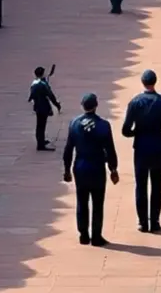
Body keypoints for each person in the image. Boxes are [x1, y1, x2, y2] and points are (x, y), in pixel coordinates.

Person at [121, 69, 161, 232]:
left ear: (142, 82)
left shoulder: (135, 102)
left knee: (141, 185)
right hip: (158, 147)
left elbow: (125, 130)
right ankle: (154, 221)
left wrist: (136, 132)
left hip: (141, 147)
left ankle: (142, 222)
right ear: (155, 82)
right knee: (156, 185)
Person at [63, 93, 120, 246]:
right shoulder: (103, 125)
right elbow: (110, 149)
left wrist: (67, 169)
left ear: (82, 105)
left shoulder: (74, 123)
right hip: (97, 167)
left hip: (80, 166)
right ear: (96, 106)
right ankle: (96, 236)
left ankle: (83, 234)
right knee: (97, 203)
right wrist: (113, 169)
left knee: (81, 201)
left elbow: (68, 149)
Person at [29, 66, 63, 151]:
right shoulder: (42, 84)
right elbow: (50, 95)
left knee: (39, 125)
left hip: (37, 106)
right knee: (41, 126)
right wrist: (57, 104)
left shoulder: (34, 83)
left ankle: (41, 141)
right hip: (43, 106)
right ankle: (40, 145)